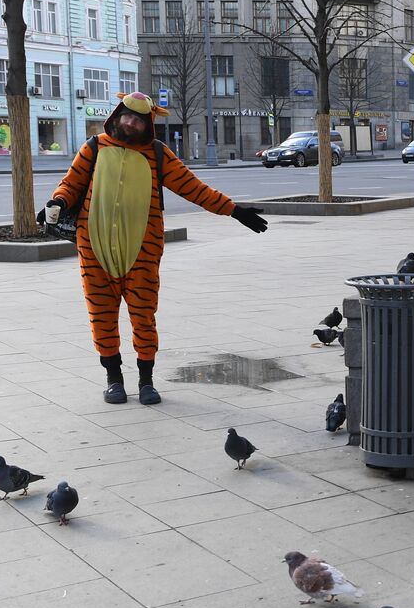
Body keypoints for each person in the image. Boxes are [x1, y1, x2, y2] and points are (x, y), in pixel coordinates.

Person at [43, 92, 268, 405]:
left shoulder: (158, 154)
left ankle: (146, 381)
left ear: (147, 123)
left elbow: (194, 189)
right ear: (117, 115)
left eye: (138, 119)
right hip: (94, 249)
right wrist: (58, 201)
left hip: (143, 253)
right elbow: (71, 184)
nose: (130, 122)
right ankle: (114, 380)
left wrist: (234, 210)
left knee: (143, 317)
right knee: (101, 317)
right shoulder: (93, 148)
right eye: (126, 116)